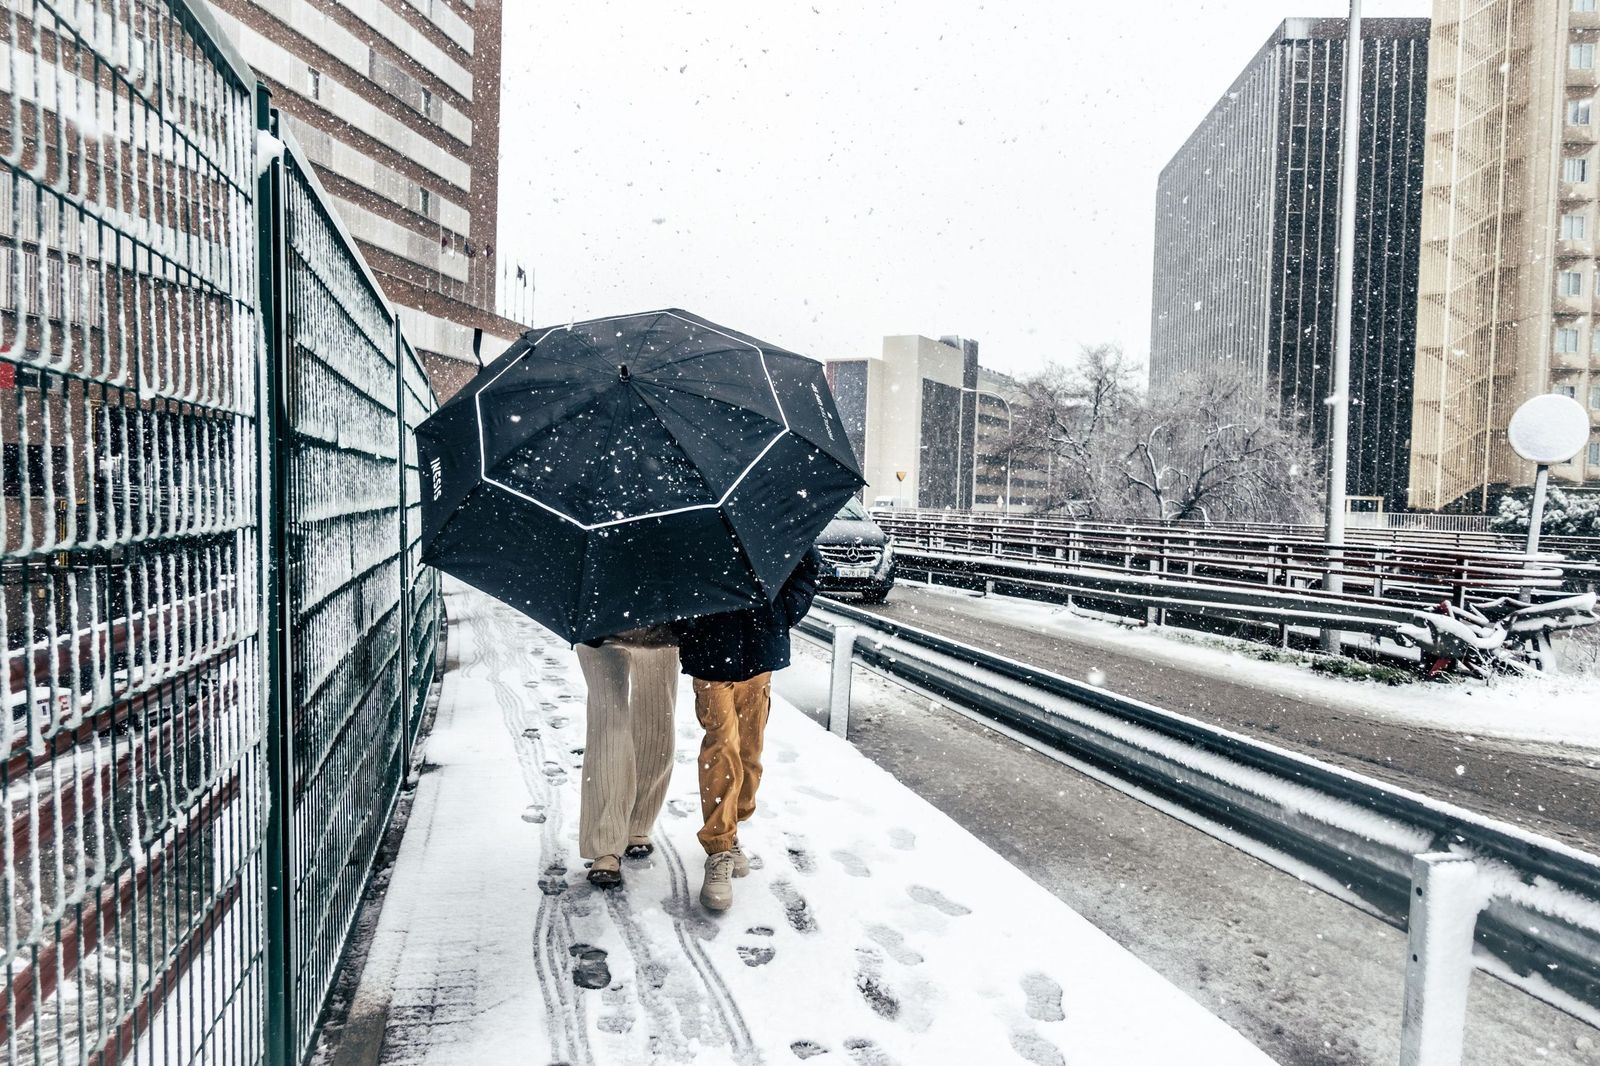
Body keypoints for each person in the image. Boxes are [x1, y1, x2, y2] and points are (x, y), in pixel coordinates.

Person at [672, 549, 821, 911]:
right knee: (722, 746)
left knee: (749, 755)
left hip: (760, 644)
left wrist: (783, 612)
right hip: (709, 649)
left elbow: (808, 568)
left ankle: (733, 825)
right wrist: (690, 621)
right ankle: (720, 848)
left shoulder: (771, 511)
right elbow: (670, 578)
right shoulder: (692, 516)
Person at [573, 624, 679, 888]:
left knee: (656, 722)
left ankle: (638, 823)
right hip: (598, 618)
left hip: (660, 620)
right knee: (608, 727)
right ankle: (606, 845)